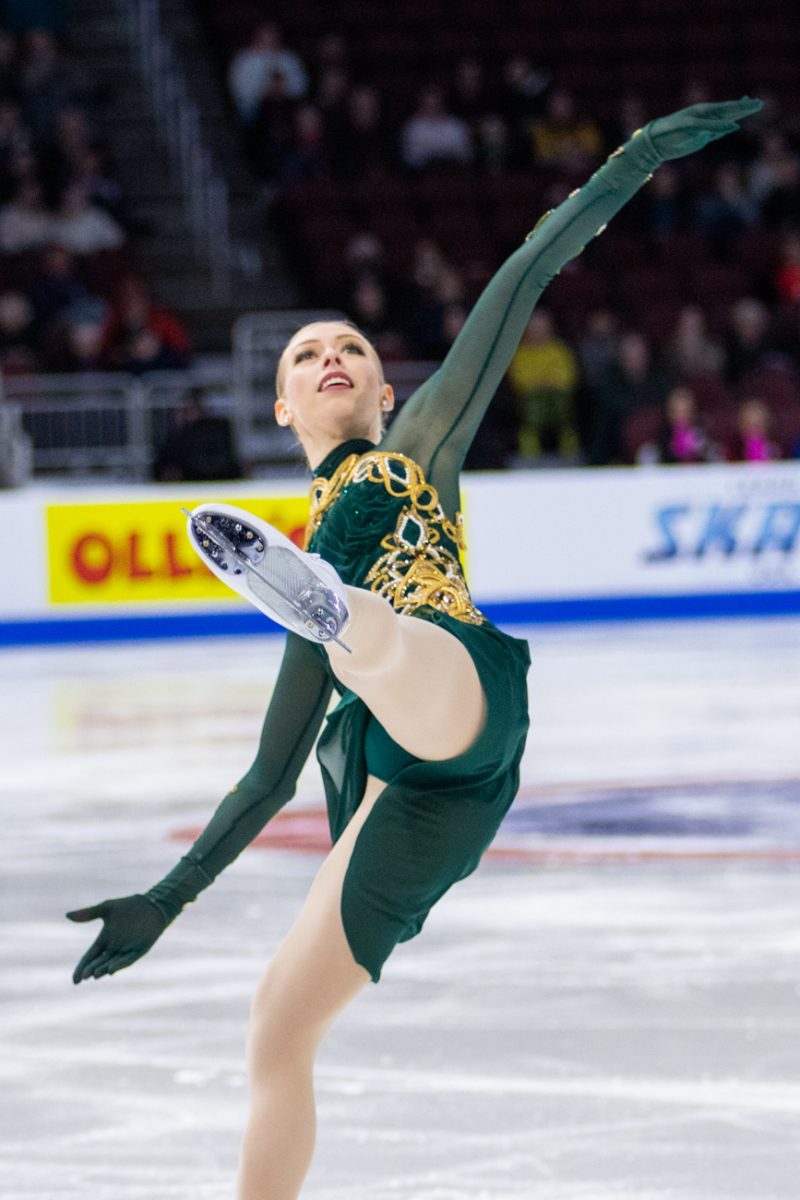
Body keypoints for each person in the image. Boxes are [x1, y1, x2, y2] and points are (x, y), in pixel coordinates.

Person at [66, 98, 761, 1200]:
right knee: (274, 1031)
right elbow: (269, 774)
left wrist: (620, 170)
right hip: (405, 790)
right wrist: (167, 897)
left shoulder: (413, 453)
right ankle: (341, 619)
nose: (331, 356)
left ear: (388, 394)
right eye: (307, 354)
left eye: (351, 348)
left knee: (372, 632)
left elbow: (520, 279)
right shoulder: (305, 545)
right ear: (285, 404)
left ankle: (349, 617)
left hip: (454, 687)